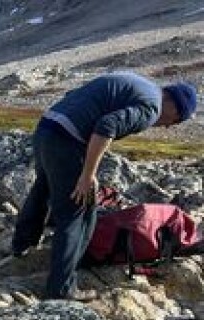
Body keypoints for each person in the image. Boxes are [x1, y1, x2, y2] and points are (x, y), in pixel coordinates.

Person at [12, 72, 197, 300]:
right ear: (175, 107)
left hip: (47, 127)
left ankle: (21, 246)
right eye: (176, 121)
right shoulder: (152, 107)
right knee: (80, 211)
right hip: (65, 140)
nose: (168, 126)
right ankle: (61, 289)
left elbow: (75, 95)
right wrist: (88, 175)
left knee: (44, 186)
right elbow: (106, 126)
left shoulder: (138, 83)